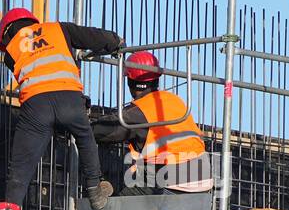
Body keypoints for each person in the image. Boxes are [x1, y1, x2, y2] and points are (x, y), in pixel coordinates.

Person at [0, 8, 119, 210]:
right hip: (68, 98)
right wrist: (114, 41)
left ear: (7, 32)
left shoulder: (10, 51)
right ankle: (94, 189)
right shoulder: (58, 29)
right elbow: (92, 37)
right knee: (85, 137)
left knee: (20, 166)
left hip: (35, 107)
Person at [91, 50, 214, 195]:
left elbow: (106, 130)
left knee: (119, 208)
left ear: (130, 81)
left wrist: (81, 124)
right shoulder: (175, 100)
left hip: (172, 180)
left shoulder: (139, 112)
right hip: (204, 179)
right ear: (157, 79)